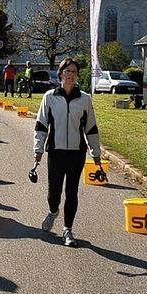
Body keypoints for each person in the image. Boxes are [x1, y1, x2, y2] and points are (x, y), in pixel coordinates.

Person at [33, 57, 101, 247]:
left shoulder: (85, 99)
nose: (70, 75)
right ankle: (53, 211)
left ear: (77, 75)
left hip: (76, 153)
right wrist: (38, 149)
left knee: (72, 192)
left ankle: (67, 229)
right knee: (53, 193)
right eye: (67, 71)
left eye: (74, 72)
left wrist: (95, 152)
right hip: (55, 151)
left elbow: (91, 127)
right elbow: (41, 125)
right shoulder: (50, 97)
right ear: (61, 73)